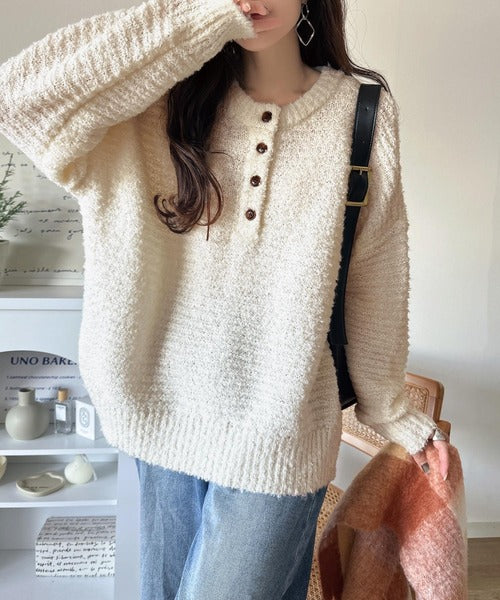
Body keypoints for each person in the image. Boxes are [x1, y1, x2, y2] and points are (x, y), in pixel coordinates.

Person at [0, 0, 450, 598]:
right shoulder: (149, 105)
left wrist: (390, 408)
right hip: (160, 413)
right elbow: (19, 98)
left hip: (281, 427)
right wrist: (201, 21)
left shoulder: (361, 111)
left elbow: (376, 272)